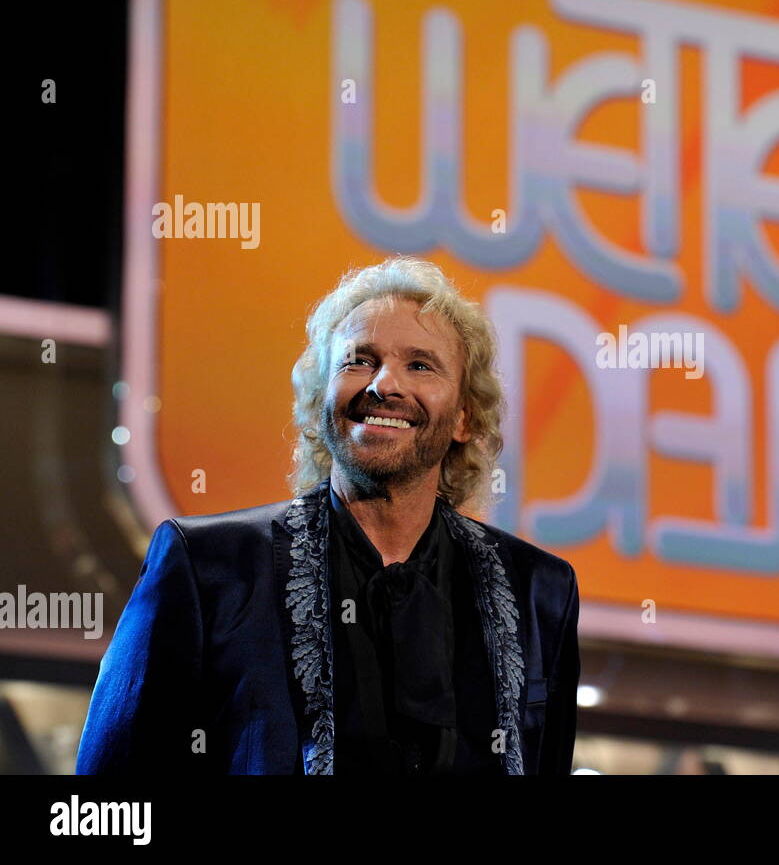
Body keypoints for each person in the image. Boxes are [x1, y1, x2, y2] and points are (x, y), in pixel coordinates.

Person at [77, 257, 580, 774]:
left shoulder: (539, 589)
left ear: (464, 417)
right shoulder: (206, 565)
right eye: (358, 361)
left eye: (421, 365)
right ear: (321, 399)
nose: (385, 384)